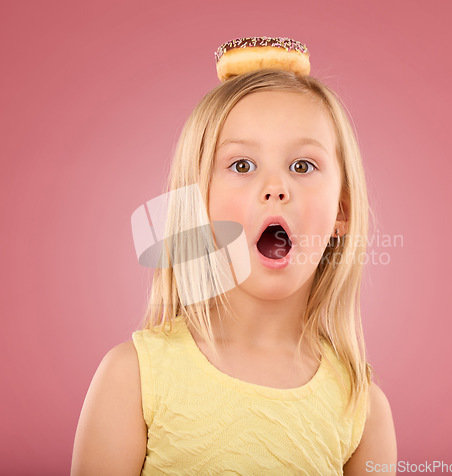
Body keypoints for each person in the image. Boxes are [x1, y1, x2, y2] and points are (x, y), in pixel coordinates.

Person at [71, 46, 397, 475]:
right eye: (242, 164)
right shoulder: (133, 378)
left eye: (303, 164)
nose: (275, 187)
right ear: (198, 207)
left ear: (342, 212)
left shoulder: (362, 408)